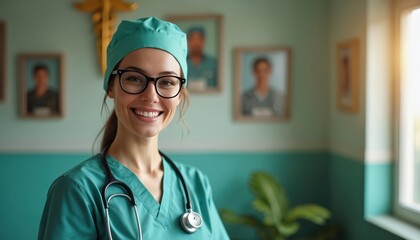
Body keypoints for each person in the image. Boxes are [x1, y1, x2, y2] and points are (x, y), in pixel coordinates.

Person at [38, 17, 229, 239]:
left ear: (180, 94)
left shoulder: (195, 183)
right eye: (135, 79)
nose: (151, 96)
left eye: (167, 82)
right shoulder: (78, 190)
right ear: (111, 86)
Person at [186, 26, 217, 91]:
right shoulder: (181, 62)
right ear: (188, 41)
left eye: (199, 39)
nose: (196, 42)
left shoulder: (213, 63)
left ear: (204, 40)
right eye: (192, 39)